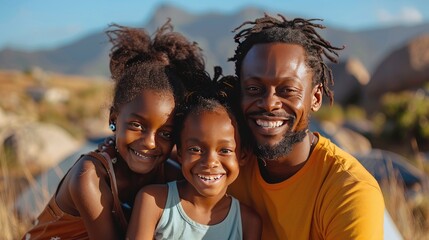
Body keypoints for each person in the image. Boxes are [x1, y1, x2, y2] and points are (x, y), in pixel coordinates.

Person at [22, 19, 206, 240]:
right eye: (137, 126)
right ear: (114, 118)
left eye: (165, 133)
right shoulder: (90, 177)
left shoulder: (171, 173)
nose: (150, 142)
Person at [226, 13, 385, 239]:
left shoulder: (348, 191)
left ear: (316, 98)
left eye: (287, 90)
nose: (270, 103)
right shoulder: (224, 165)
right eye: (253, 89)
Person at [126, 74, 262, 240]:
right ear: (181, 153)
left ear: (243, 155)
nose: (210, 162)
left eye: (225, 150)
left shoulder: (247, 222)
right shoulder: (154, 202)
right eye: (196, 149)